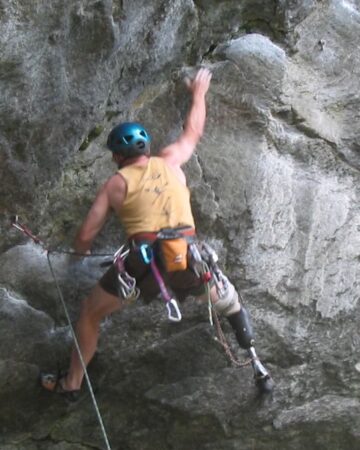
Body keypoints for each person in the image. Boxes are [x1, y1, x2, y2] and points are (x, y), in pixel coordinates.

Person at [41, 68, 273, 398]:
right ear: (147, 148)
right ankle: (258, 369)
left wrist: (73, 264)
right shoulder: (170, 162)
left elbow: (85, 236)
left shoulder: (116, 184)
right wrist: (199, 93)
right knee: (231, 303)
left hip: (142, 267)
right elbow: (193, 131)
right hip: (189, 260)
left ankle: (72, 383)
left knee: (90, 314)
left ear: (117, 157)